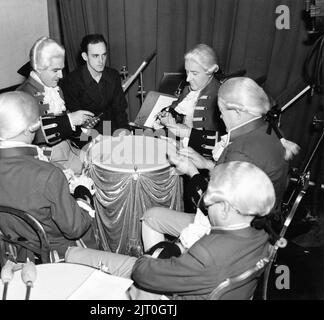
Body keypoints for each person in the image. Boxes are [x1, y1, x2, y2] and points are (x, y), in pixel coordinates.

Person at [65, 161, 275, 300]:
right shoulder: (262, 235)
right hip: (195, 284)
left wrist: (159, 253)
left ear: (227, 209)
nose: (205, 206)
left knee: (74, 255)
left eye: (210, 202)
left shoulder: (207, 253)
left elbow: (142, 272)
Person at [141, 77, 299, 251]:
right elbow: (240, 182)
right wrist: (207, 164)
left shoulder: (241, 150)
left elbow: (213, 207)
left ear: (238, 112)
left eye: (222, 110)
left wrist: (191, 172)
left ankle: (165, 269)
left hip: (231, 237)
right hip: (258, 228)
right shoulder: (270, 131)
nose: (220, 116)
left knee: (150, 217)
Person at [0, 91, 96, 259]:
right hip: (60, 255)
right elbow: (75, 228)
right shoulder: (49, 175)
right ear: (32, 127)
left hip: (21, 254)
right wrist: (83, 192)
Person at [17, 36, 97, 173]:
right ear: (38, 68)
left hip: (68, 150)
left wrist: (82, 127)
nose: (60, 75)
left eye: (62, 69)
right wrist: (71, 119)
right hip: (47, 160)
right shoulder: (22, 95)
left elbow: (65, 128)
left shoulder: (56, 89)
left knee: (100, 163)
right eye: (55, 70)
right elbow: (30, 135)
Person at [157, 44, 225, 158]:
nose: (188, 79)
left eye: (194, 73)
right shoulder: (188, 89)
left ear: (210, 71)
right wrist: (169, 115)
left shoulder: (221, 95)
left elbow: (223, 142)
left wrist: (188, 133)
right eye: (187, 72)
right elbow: (175, 107)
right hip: (180, 147)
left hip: (203, 158)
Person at [60, 34, 129, 140]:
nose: (101, 61)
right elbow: (77, 124)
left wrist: (124, 130)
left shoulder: (113, 75)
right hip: (86, 136)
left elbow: (120, 110)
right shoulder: (71, 81)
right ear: (85, 56)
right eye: (95, 56)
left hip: (111, 130)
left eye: (104, 55)